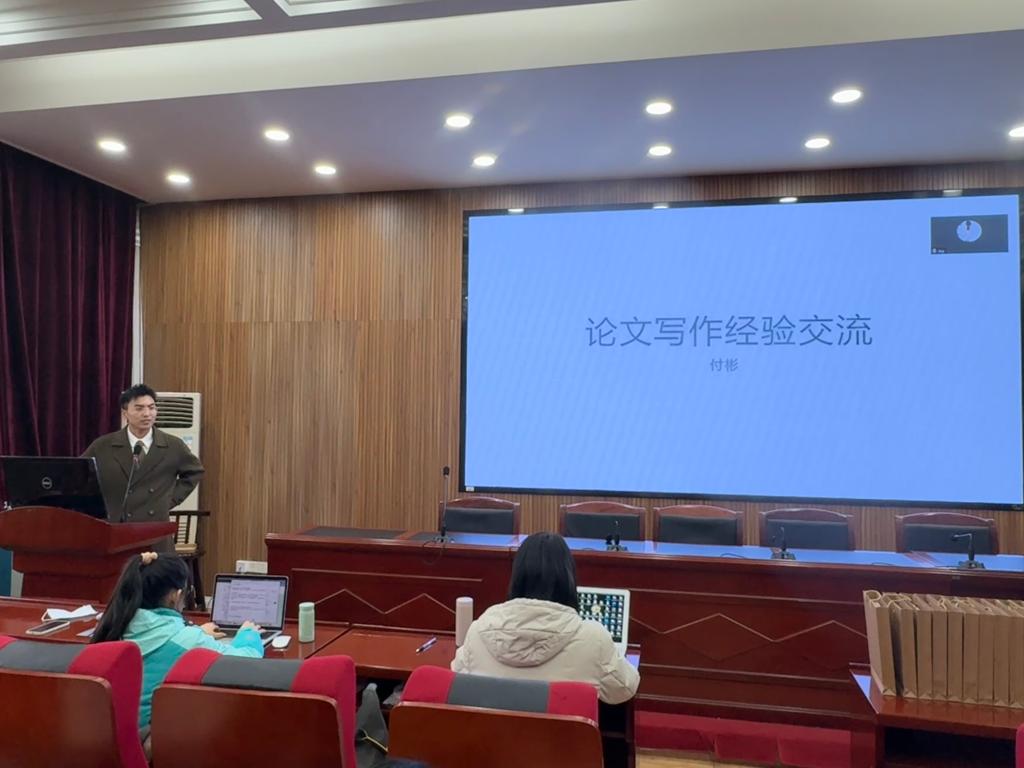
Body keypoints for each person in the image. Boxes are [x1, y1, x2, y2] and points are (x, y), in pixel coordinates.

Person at [451, 532, 639, 704]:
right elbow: (625, 688)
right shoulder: (594, 639)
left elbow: (457, 676)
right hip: (561, 733)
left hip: (493, 732)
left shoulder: (478, 630)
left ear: (516, 577)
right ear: (568, 579)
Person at [92, 552, 264, 729]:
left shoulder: (115, 625)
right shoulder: (187, 641)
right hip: (149, 737)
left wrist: (197, 632)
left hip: (110, 732)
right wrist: (248, 634)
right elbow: (246, 660)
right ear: (175, 595)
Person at [83, 383, 204, 550]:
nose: (147, 414)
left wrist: (169, 499)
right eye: (139, 408)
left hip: (155, 531)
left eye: (151, 407)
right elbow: (81, 475)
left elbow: (194, 472)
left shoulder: (172, 445)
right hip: (116, 530)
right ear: (125, 413)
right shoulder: (103, 446)